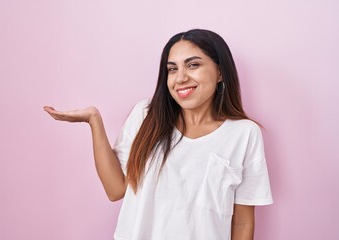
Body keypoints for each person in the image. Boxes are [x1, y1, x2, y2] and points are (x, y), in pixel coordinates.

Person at [44, 29, 273, 240]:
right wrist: (94, 120)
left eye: (193, 65)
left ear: (221, 72)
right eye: (172, 69)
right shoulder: (146, 116)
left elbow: (242, 223)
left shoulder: (243, 134)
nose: (180, 77)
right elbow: (115, 190)